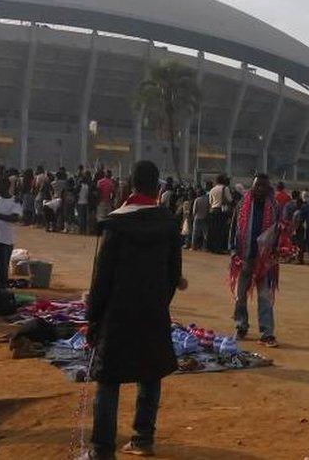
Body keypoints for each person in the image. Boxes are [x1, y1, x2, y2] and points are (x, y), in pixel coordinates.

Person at [84, 160, 185, 459]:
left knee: (108, 379)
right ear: (157, 187)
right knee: (150, 373)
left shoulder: (116, 224)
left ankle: (102, 449)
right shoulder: (168, 223)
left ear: (130, 185)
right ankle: (143, 439)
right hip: (153, 309)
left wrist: (93, 317)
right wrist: (158, 301)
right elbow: (173, 273)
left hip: (117, 312)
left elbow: (101, 277)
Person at [228, 173, 281, 347]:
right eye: (257, 185)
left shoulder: (273, 207)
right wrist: (233, 251)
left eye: (263, 186)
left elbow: (279, 232)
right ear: (253, 186)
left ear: (268, 188)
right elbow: (234, 226)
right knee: (240, 295)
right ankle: (240, 325)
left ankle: (267, 333)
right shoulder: (242, 204)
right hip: (244, 256)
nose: (260, 189)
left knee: (265, 297)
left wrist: (275, 252)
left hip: (264, 261)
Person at [0, 178, 23, 288]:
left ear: (6, 186)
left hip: (6, 239)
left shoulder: (14, 201)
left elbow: (15, 218)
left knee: (3, 266)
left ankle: (2, 288)